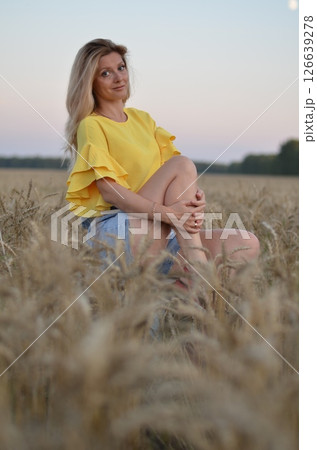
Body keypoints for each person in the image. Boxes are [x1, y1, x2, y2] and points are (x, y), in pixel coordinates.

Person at [65, 38, 259, 280]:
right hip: (121, 230)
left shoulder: (142, 119)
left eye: (121, 68)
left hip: (160, 227)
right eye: (106, 73)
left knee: (246, 244)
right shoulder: (91, 124)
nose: (118, 77)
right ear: (90, 83)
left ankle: (179, 296)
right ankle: (199, 272)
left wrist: (194, 200)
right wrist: (169, 214)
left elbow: (174, 179)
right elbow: (110, 192)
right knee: (182, 164)